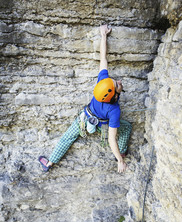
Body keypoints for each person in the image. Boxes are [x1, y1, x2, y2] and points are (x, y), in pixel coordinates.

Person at [39, 25, 132, 173]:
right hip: (102, 127)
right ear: (114, 95)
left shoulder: (103, 83)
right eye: (117, 84)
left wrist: (103, 36)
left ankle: (49, 163)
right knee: (126, 127)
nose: (119, 81)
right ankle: (120, 153)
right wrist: (120, 161)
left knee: (68, 137)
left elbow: (103, 58)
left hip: (85, 119)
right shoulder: (114, 110)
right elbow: (111, 139)